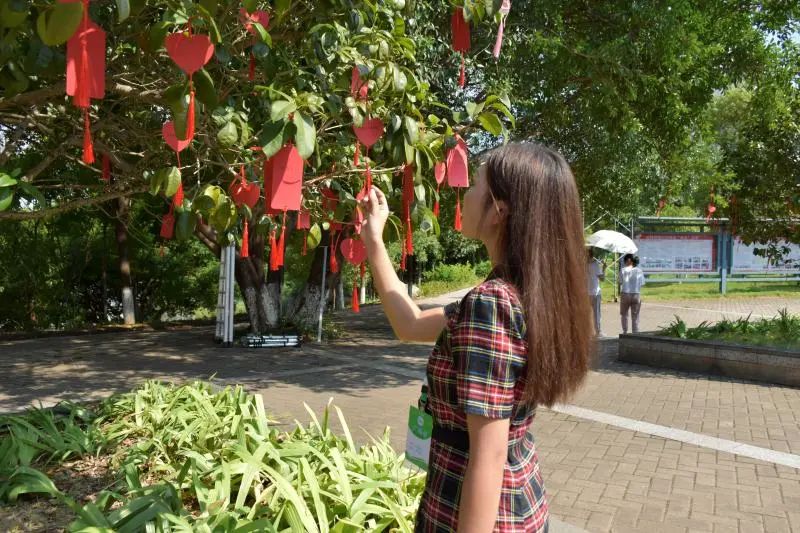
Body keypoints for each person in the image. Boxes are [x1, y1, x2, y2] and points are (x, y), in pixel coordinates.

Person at [359, 142, 594, 532]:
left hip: (480, 514)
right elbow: (411, 323)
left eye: (475, 185)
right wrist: (374, 240)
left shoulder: (492, 305)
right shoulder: (524, 293)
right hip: (520, 500)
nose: (465, 194)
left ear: (499, 210)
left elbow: (488, 454)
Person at [619, 254, 645, 334]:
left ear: (628, 261)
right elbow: (642, 284)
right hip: (636, 294)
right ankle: (635, 332)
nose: (624, 263)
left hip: (625, 294)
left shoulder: (623, 270)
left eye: (625, 261)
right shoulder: (639, 271)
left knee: (624, 314)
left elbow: (620, 282)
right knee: (635, 315)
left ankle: (625, 332)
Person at [586, 248, 606, 336]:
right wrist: (604, 268)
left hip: (586, 293)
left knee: (586, 313)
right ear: (592, 255)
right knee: (596, 313)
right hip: (595, 292)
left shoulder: (582, 264)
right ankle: (598, 332)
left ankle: (587, 332)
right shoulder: (595, 265)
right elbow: (602, 279)